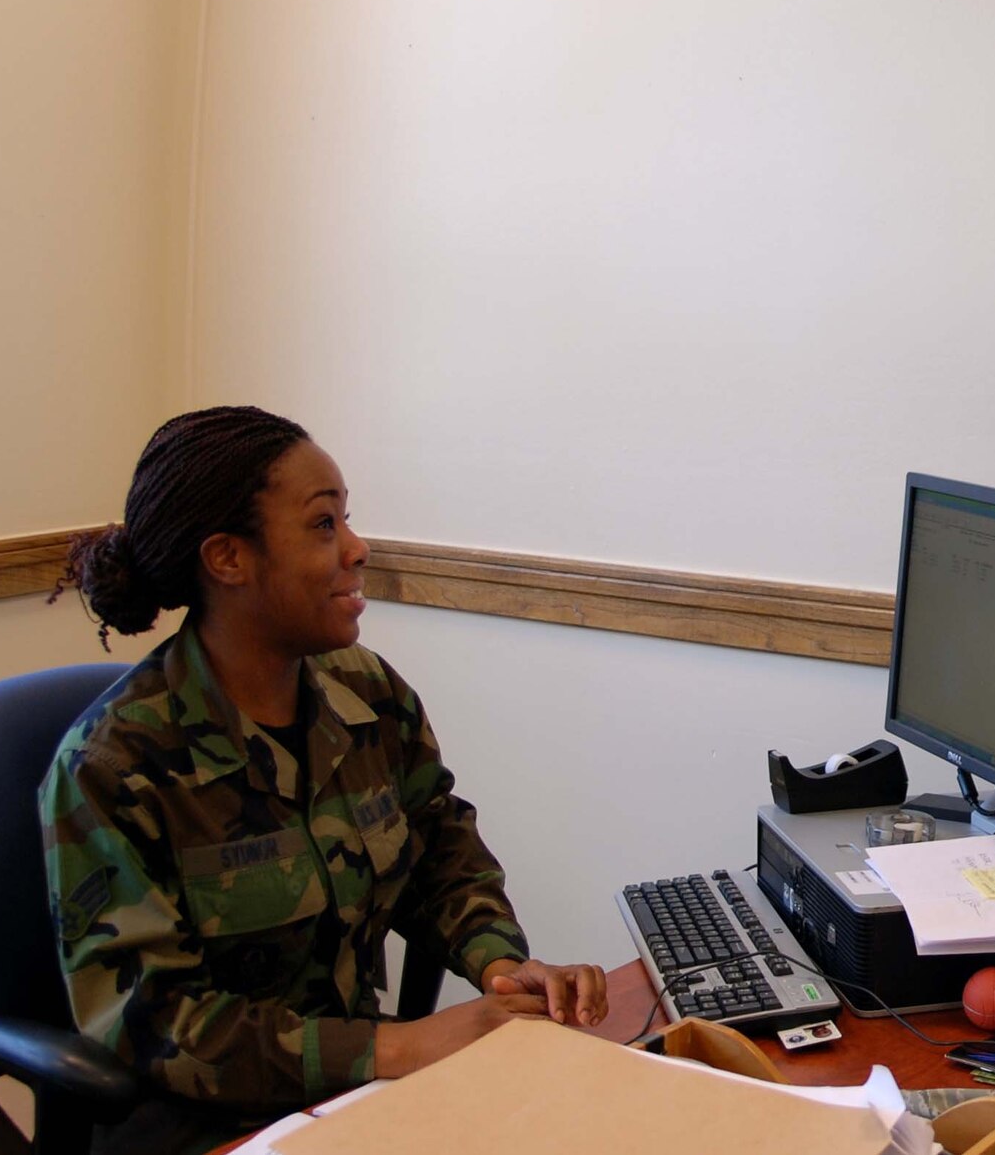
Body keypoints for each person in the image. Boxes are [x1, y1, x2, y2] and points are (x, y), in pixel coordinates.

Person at [41, 406, 608, 1153]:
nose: (357, 548)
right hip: (202, 1124)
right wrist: (399, 1047)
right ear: (228, 559)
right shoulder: (112, 766)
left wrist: (500, 965)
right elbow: (157, 1023)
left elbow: (437, 844)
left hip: (359, 1096)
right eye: (322, 525)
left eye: (347, 521)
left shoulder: (365, 693)